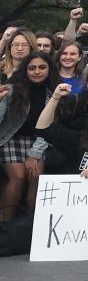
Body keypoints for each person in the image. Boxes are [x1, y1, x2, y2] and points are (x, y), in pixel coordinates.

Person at [0, 53, 57, 219]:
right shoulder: (12, 89)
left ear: (49, 69)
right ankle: (4, 225)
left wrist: (35, 154)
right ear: (25, 70)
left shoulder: (53, 93)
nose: (37, 71)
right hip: (9, 139)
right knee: (18, 176)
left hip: (39, 140)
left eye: (42, 67)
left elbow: (48, 127)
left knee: (36, 175)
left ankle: (31, 224)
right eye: (32, 68)